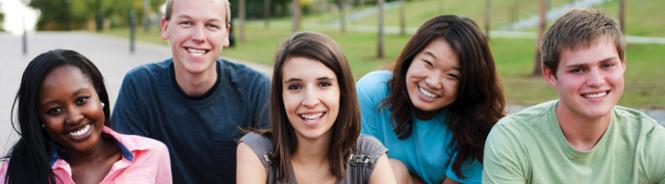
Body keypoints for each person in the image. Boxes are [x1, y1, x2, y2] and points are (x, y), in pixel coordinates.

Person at [483, 9, 665, 183]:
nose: (596, 81)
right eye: (578, 69)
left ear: (623, 64)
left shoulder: (651, 142)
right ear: (550, 75)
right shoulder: (513, 139)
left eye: (607, 65)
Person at [110, 0, 271, 182]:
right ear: (165, 27)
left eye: (211, 25)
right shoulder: (139, 87)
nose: (199, 36)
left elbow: (276, 170)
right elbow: (129, 174)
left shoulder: (255, 89)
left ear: (226, 34)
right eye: (186, 23)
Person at [356, 15, 505, 184]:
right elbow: (359, 169)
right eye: (428, 63)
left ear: (468, 83)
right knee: (391, 169)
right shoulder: (372, 92)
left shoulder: (479, 127)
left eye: (452, 75)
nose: (433, 82)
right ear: (411, 56)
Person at [236, 32, 396, 184]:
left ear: (342, 91)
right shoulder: (256, 151)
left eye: (324, 84)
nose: (310, 101)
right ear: (280, 96)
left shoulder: (368, 155)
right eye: (295, 86)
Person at [0, 49, 171, 184]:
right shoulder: (12, 173)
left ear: (99, 96)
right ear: (39, 119)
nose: (74, 118)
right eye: (55, 110)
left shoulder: (152, 155)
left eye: (81, 100)